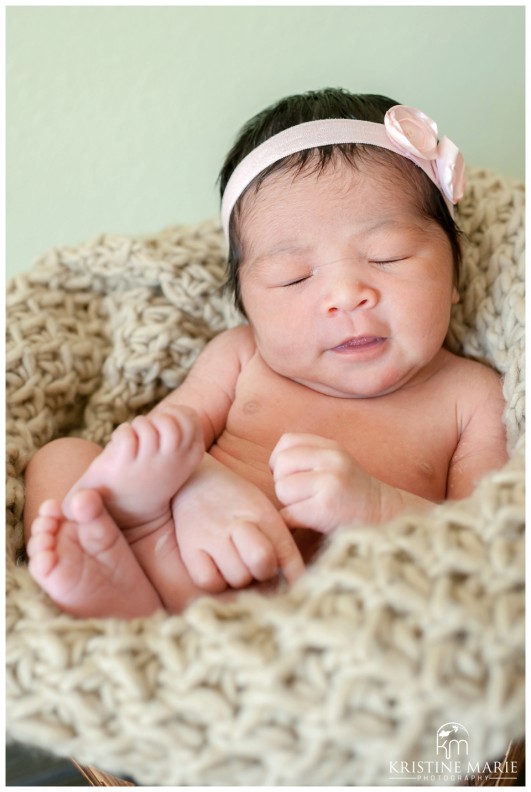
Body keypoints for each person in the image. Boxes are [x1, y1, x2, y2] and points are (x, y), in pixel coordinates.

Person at [24, 88, 508, 619]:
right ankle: (126, 581)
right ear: (247, 307)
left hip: (320, 605)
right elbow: (152, 447)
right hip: (184, 551)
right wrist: (197, 489)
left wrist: (376, 507)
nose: (346, 296)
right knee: (62, 458)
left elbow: (483, 544)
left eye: (387, 256)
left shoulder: (471, 396)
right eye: (293, 277)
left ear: (455, 272)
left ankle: (133, 605)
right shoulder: (239, 357)